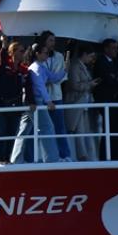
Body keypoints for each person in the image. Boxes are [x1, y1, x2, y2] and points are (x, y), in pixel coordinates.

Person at [12, 44, 65, 163]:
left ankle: (15, 159)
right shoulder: (36, 68)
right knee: (47, 127)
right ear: (38, 54)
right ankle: (51, 160)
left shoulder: (41, 67)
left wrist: (65, 70)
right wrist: (49, 101)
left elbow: (53, 78)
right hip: (35, 102)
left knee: (24, 130)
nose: (47, 55)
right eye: (45, 53)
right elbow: (40, 86)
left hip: (32, 101)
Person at [63, 45, 99, 161]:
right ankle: (81, 156)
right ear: (84, 54)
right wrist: (90, 84)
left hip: (83, 103)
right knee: (79, 130)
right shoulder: (75, 66)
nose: (92, 59)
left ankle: (84, 155)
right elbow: (74, 85)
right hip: (76, 102)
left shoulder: (83, 66)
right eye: (91, 56)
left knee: (83, 130)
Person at [37, 31, 70, 159]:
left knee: (59, 127)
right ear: (44, 41)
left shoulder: (59, 56)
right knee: (43, 128)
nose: (53, 43)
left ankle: (65, 155)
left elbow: (63, 76)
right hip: (41, 97)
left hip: (56, 96)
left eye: (54, 40)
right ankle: (45, 156)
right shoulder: (37, 56)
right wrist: (50, 78)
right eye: (50, 40)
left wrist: (52, 79)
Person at [0, 40, 24, 163]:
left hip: (15, 105)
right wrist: (4, 45)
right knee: (1, 132)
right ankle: (1, 159)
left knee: (12, 133)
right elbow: (3, 58)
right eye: (21, 51)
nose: (23, 53)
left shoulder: (22, 69)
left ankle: (9, 158)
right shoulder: (4, 66)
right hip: (1, 104)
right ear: (13, 52)